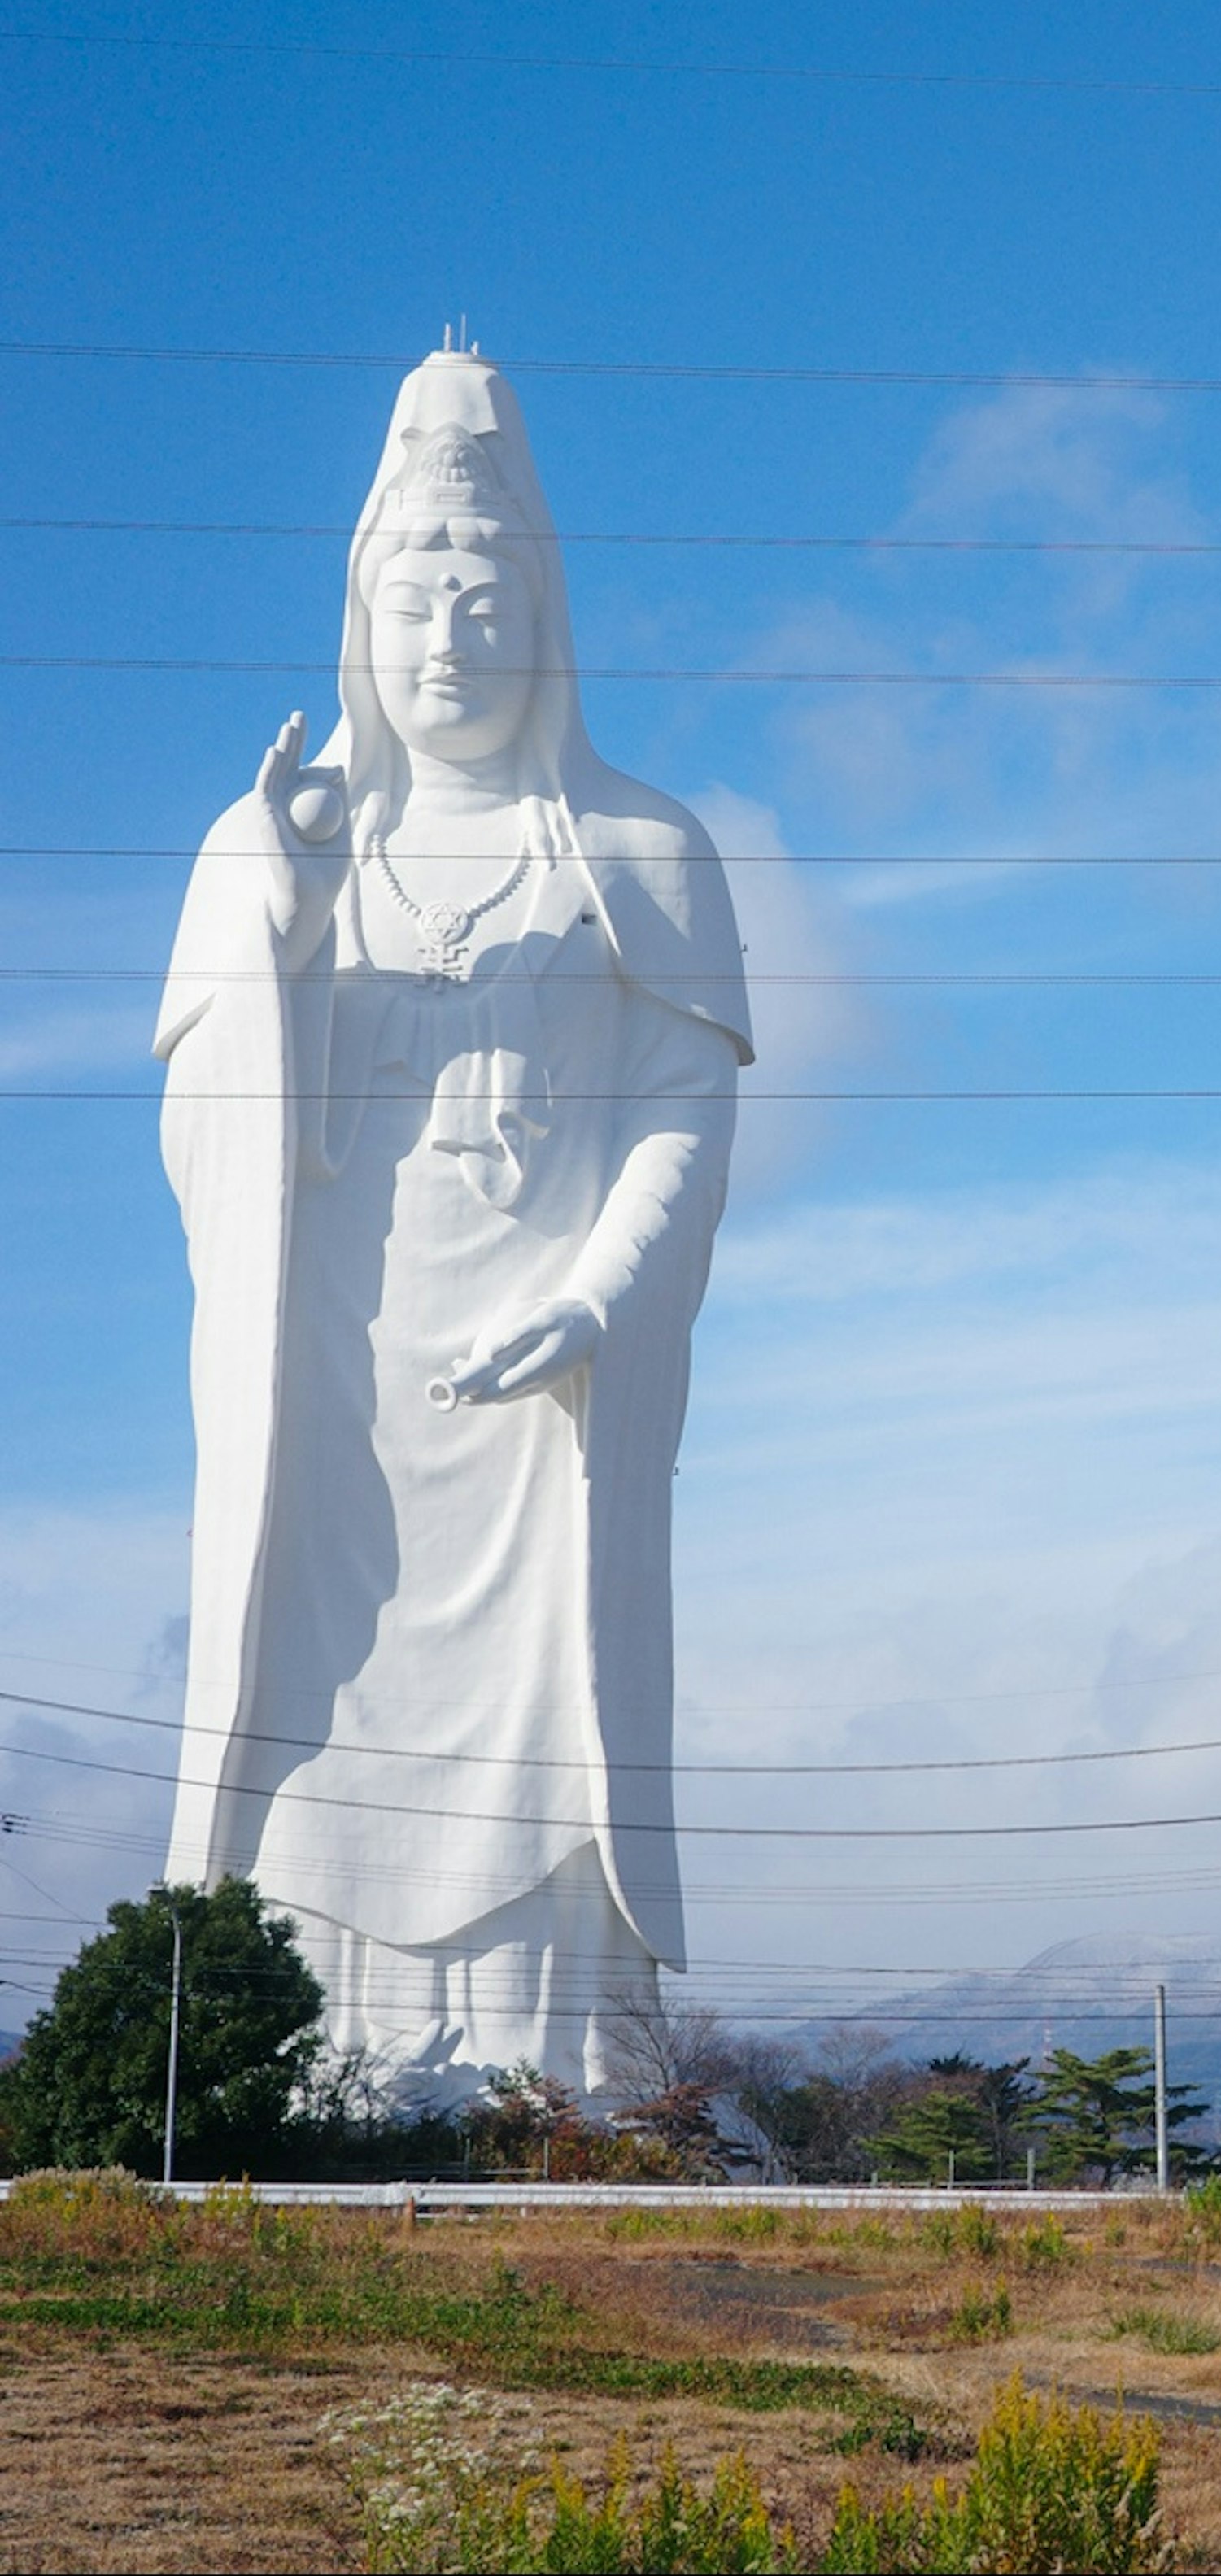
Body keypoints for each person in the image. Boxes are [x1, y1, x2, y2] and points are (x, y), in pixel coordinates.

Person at [155, 345, 751, 2104]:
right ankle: (302, 2062)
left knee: (541, 1694)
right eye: (415, 597)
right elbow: (205, 1130)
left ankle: (552, 2074)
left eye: (488, 596)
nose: (451, 639)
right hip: (330, 1375)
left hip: (543, 1402)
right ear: (361, 611)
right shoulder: (267, 841)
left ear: (546, 611)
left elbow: (686, 1115)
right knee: (313, 1684)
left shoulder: (642, 848)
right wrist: (276, 926)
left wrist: (603, 1298)